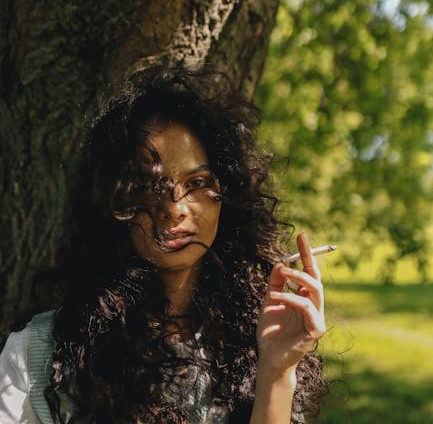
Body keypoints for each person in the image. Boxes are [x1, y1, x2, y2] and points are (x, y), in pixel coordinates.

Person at [0, 66, 328, 423]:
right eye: (148, 186)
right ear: (112, 201)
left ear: (227, 196)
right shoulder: (40, 355)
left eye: (197, 182)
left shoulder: (257, 339)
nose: (174, 209)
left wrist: (277, 371)